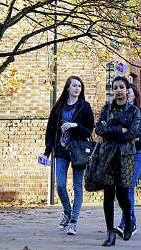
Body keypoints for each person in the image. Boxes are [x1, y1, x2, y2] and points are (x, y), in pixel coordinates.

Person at [44, 76, 94, 235]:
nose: (77, 88)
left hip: (78, 151)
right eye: (74, 85)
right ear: (67, 88)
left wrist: (75, 125)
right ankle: (67, 211)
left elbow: (89, 130)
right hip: (61, 150)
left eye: (80, 86)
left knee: (77, 186)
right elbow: (51, 129)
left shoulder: (85, 107)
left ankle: (73, 222)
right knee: (60, 184)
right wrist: (47, 150)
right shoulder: (59, 107)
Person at [95, 76, 141, 247]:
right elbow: (99, 128)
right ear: (113, 90)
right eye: (115, 87)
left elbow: (131, 134)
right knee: (108, 195)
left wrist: (110, 130)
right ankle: (110, 233)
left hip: (126, 156)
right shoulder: (106, 109)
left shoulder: (134, 111)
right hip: (108, 155)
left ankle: (128, 222)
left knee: (122, 195)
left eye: (121, 87)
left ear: (127, 89)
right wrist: (118, 129)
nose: (118, 90)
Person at [114, 82, 141, 238]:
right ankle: (132, 222)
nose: (126, 97)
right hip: (121, 154)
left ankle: (124, 223)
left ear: (135, 96)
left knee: (128, 188)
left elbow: (138, 131)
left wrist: (122, 132)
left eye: (129, 94)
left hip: (136, 153)